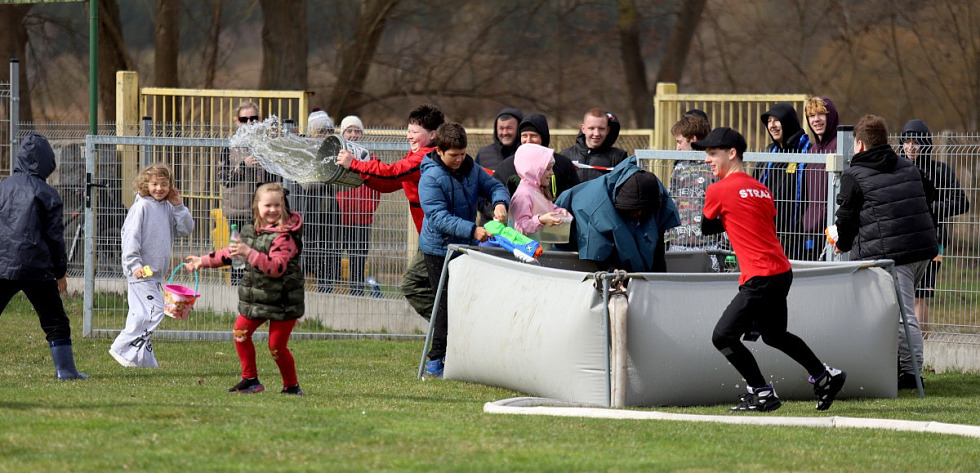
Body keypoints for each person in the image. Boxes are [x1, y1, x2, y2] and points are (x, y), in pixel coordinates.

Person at [694, 127, 846, 412]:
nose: (707, 159)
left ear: (732, 153)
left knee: (722, 337)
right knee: (774, 335)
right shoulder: (763, 189)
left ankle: (762, 392)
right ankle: (824, 375)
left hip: (760, 277)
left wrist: (726, 217)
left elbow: (706, 228)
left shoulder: (718, 190)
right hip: (781, 272)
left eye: (712, 153)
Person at [831, 115, 937, 390]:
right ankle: (896, 366)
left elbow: (846, 218)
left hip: (895, 254)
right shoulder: (907, 166)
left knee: (902, 314)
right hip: (921, 250)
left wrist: (841, 242)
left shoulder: (855, 174)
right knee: (893, 309)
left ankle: (912, 375)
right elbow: (931, 193)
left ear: (861, 144)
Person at [185, 182, 306, 395]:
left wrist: (248, 252)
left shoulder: (285, 236)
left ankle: (291, 386)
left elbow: (276, 268)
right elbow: (231, 253)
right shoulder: (250, 230)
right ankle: (250, 379)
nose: (273, 210)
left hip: (284, 302)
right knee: (240, 332)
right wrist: (202, 261)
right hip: (257, 299)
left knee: (276, 348)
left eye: (277, 205)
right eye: (268, 205)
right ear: (256, 206)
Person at [418, 123, 510, 378]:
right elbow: (437, 217)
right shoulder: (430, 177)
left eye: (462, 154)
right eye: (453, 156)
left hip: (464, 246)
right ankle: (435, 361)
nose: (459, 160)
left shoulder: (471, 168)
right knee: (444, 305)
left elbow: (495, 187)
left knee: (464, 302)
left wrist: (500, 203)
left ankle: (460, 353)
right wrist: (473, 230)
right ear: (439, 150)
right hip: (438, 248)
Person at [336, 104, 444, 321]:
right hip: (430, 237)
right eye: (408, 130)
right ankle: (446, 326)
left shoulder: (425, 156)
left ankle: (447, 325)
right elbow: (388, 183)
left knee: (413, 285)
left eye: (414, 132)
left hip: (436, 238)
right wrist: (365, 170)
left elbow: (392, 174)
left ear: (432, 135)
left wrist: (356, 164)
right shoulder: (419, 154)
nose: (409, 136)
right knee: (432, 287)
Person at [0, 133, 87, 380]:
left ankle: (67, 371)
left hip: (2, 266)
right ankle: (66, 371)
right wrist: (60, 271)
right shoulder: (47, 193)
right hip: (37, 269)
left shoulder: (2, 188)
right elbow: (55, 238)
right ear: (49, 162)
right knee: (55, 319)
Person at [110, 163, 195, 368]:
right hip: (140, 272)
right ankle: (121, 347)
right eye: (154, 184)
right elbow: (131, 237)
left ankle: (144, 361)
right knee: (155, 311)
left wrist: (179, 206)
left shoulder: (167, 207)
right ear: (145, 185)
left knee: (139, 314)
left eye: (164, 184)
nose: (159, 188)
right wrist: (134, 264)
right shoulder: (141, 207)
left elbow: (186, 229)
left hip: (155, 273)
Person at [900, 119, 970, 332]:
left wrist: (928, 207)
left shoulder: (940, 170)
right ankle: (909, 347)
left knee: (920, 295)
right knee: (905, 296)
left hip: (933, 239)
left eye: (916, 141)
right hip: (903, 240)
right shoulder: (897, 169)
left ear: (926, 144)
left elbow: (962, 203)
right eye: (906, 141)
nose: (911, 146)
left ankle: (921, 348)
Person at [554, 156, 679, 273]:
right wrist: (616, 278)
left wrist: (657, 280)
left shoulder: (656, 194)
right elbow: (597, 250)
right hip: (578, 237)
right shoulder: (593, 207)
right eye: (634, 211)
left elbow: (657, 246)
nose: (639, 213)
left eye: (641, 210)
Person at [219, 102, 279, 283]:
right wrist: (244, 165)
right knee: (239, 256)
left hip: (264, 212)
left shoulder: (268, 146)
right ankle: (236, 292)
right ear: (238, 122)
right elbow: (224, 179)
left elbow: (278, 178)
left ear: (259, 120)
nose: (250, 123)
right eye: (244, 119)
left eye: (253, 118)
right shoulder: (230, 147)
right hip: (239, 212)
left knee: (262, 253)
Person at [755, 103, 815, 261]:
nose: (772, 126)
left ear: (788, 122)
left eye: (776, 120)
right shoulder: (768, 153)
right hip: (768, 233)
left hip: (799, 236)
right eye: (769, 121)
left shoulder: (809, 152)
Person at [335, 115, 382, 296]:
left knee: (358, 261)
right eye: (349, 130)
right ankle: (331, 294)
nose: (353, 134)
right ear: (342, 134)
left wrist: (368, 208)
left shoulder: (370, 159)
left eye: (357, 131)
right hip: (338, 219)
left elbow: (377, 187)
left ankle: (357, 294)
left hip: (362, 220)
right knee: (333, 258)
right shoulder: (335, 159)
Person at [296, 108, 340, 292]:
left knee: (328, 254)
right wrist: (328, 175)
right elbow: (306, 183)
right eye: (322, 131)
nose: (327, 135)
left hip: (328, 212)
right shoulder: (304, 151)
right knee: (306, 253)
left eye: (329, 131)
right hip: (308, 210)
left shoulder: (335, 150)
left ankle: (326, 288)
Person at [666, 112, 723, 251]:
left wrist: (724, 244)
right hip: (678, 243)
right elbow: (671, 202)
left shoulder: (715, 167)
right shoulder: (679, 167)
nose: (677, 148)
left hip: (709, 245)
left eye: (680, 142)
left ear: (693, 139)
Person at [492, 113, 580, 197]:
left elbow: (575, 195)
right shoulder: (507, 166)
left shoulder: (562, 164)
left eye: (533, 136)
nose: (528, 140)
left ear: (543, 138)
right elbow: (493, 193)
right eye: (524, 136)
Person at [802, 96, 839, 259]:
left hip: (835, 229)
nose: (816, 120)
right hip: (813, 230)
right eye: (811, 116)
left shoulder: (840, 146)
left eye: (821, 114)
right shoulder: (812, 151)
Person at [510, 143, 571, 236]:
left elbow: (547, 209)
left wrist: (559, 212)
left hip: (542, 248)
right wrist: (540, 220)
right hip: (527, 249)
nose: (552, 173)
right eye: (548, 169)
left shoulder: (539, 189)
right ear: (534, 170)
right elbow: (519, 227)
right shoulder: (523, 195)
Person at [561, 108, 629, 182]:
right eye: (591, 128)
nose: (596, 133)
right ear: (583, 129)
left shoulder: (619, 158)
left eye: (601, 129)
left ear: (607, 130)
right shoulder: (565, 157)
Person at [474, 107, 523, 172]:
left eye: (509, 128)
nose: (505, 133)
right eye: (501, 128)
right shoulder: (483, 154)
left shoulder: (527, 154)